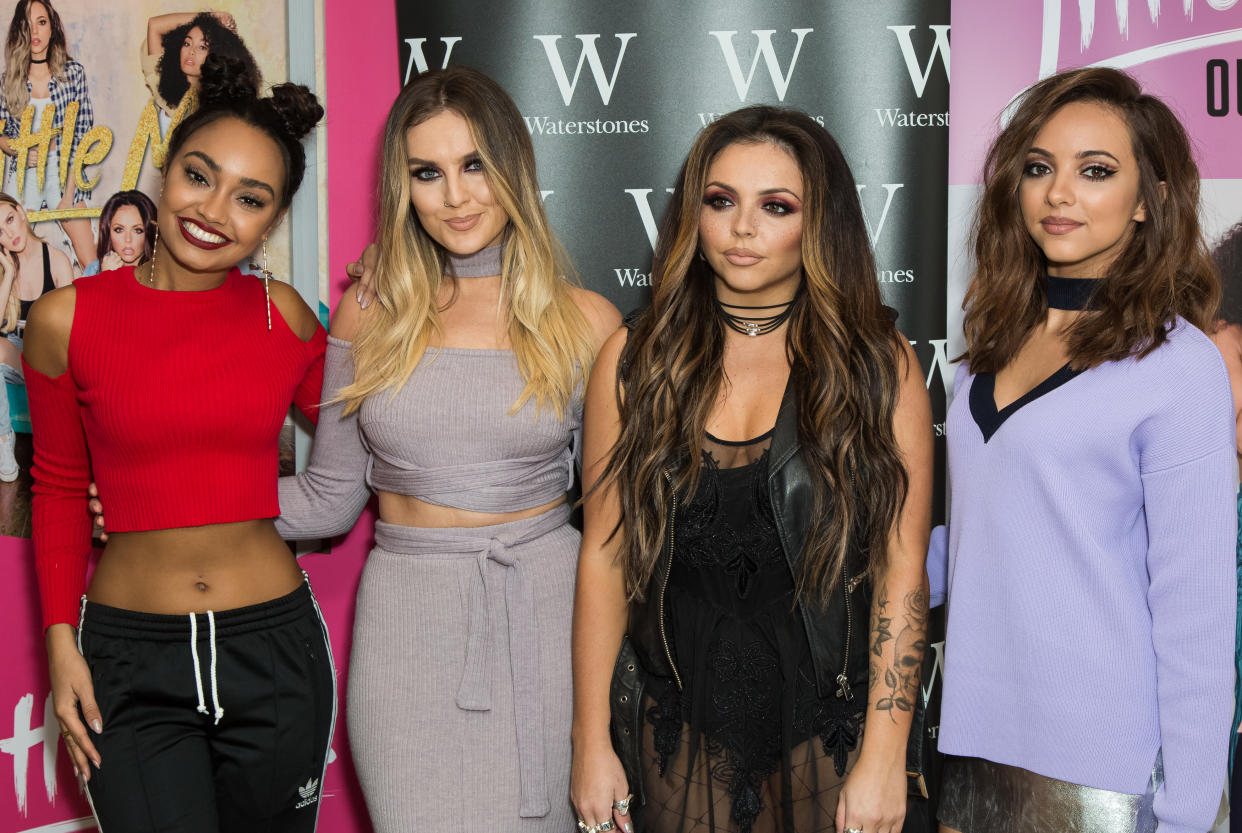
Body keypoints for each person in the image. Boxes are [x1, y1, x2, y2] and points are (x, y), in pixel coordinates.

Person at [273, 65, 619, 832]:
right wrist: (168, 501)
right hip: (406, 629)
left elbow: (616, 535)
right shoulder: (371, 309)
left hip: (544, 619)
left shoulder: (587, 322)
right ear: (404, 187)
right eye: (428, 172)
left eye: (474, 166)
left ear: (514, 170)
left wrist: (599, 724)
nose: (455, 196)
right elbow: (328, 497)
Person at [570, 106, 932, 833]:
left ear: (818, 224)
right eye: (720, 200)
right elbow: (604, 558)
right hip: (679, 721)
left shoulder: (875, 365)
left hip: (829, 721)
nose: (742, 228)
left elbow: (900, 568)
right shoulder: (634, 362)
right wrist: (590, 741)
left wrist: (888, 754)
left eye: (776, 206)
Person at [23, 54, 332, 832]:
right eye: (200, 175)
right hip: (129, 657)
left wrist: (373, 322)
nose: (215, 210)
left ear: (272, 219)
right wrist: (62, 647)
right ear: (165, 171)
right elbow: (59, 487)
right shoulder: (65, 319)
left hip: (275, 652)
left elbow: (374, 445)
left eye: (251, 198)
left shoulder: (282, 315)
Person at [938, 67, 1234, 833]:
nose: (1059, 193)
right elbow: (990, 535)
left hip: (1103, 774)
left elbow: (1196, 613)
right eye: (1039, 168)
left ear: (1148, 201)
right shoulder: (984, 351)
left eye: (1094, 171)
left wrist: (1189, 814)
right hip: (971, 752)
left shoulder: (1176, 363)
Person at [0, 0, 95, 269]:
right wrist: (18, 147)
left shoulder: (73, 74)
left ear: (52, 28)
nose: (35, 32)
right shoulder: (8, 82)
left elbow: (82, 137)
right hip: (24, 175)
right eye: (27, 25)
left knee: (89, 260)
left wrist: (69, 192)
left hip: (64, 172)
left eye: (41, 22)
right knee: (13, 255)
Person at [0, 190, 72, 480]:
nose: (9, 233)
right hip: (17, 353)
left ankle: (55, 445)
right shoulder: (3, 267)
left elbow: (71, 325)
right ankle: (5, 441)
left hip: (48, 353)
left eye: (10, 219)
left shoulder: (56, 260)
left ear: (23, 212)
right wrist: (6, 272)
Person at [141, 11, 256, 136]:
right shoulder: (164, 85)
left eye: (202, 47)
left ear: (217, 55)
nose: (191, 51)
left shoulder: (219, 112)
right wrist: (212, 17)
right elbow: (154, 25)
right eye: (187, 43)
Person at [81, 189, 156, 276]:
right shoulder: (93, 270)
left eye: (137, 230)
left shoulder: (163, 273)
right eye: (119, 230)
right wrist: (105, 278)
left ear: (149, 232)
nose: (128, 239)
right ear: (108, 232)